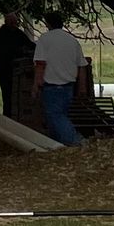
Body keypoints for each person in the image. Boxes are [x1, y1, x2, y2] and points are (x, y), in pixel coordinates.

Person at [30, 12, 86, 147]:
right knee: (59, 116)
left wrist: (36, 84)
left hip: (51, 86)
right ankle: (56, 144)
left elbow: (40, 64)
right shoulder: (72, 40)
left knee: (55, 116)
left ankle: (74, 140)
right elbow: (82, 66)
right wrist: (82, 87)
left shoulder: (45, 39)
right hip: (69, 86)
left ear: (47, 24)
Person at [0, 12, 35, 119]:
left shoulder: (18, 33)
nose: (14, 24)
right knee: (7, 95)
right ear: (7, 22)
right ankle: (8, 116)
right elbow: (8, 50)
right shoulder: (1, 34)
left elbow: (30, 45)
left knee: (17, 95)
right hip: (5, 68)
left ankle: (17, 115)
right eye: (11, 22)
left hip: (17, 70)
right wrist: (23, 51)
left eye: (15, 22)